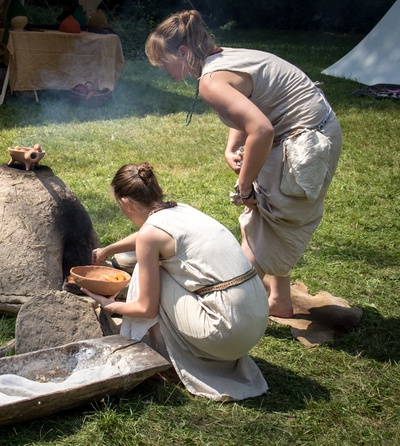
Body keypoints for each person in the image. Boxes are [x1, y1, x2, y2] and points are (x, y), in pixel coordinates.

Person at [144, 11, 343, 318]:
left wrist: (245, 187)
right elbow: (250, 108)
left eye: (163, 62)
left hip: (306, 140)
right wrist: (232, 146)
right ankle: (278, 299)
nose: (160, 69)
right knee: (266, 217)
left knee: (272, 219)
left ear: (183, 53)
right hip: (311, 128)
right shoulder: (220, 59)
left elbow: (261, 129)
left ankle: (229, 312)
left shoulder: (211, 80)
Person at [82, 163, 269, 401]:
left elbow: (145, 308)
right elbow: (148, 235)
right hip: (256, 316)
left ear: (125, 203)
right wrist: (109, 249)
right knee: (156, 265)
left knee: (146, 269)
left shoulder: (151, 234)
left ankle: (161, 356)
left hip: (228, 333)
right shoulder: (181, 210)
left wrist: (107, 304)